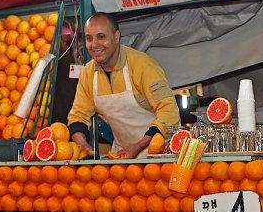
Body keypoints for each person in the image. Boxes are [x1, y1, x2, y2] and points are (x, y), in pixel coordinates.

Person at [67, 12, 181, 159]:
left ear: (116, 36)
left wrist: (139, 147)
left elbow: (169, 112)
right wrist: (81, 142)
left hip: (161, 154)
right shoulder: (87, 74)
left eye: (101, 37)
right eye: (89, 38)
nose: (94, 44)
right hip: (122, 156)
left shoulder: (143, 66)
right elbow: (78, 115)